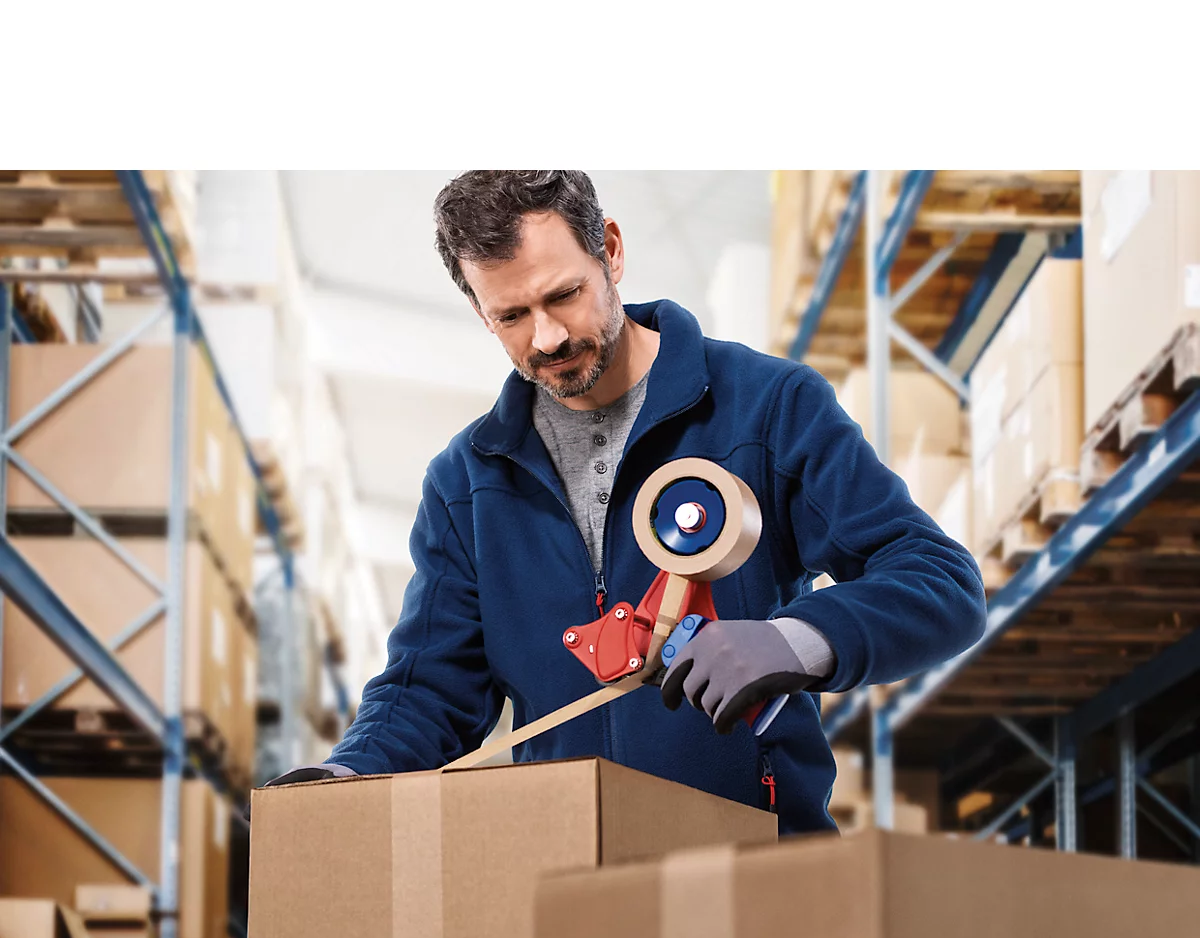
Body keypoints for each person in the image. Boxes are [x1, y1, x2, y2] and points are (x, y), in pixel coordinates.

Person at [266, 170, 986, 835]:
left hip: (758, 869)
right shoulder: (466, 485)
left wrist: (795, 641)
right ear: (481, 313)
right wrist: (347, 775)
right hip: (570, 880)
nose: (547, 337)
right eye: (512, 315)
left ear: (610, 251)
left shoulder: (766, 408)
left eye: (563, 296)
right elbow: (428, 690)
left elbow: (940, 582)